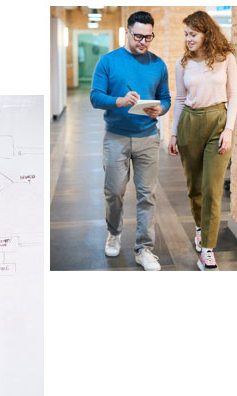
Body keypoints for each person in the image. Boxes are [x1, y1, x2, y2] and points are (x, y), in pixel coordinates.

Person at [89, 11, 171, 271]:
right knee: (114, 192)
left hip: (148, 137)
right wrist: (120, 101)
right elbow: (95, 97)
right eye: (138, 36)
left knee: (147, 195)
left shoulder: (158, 64)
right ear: (127, 32)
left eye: (148, 37)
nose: (143, 42)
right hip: (116, 137)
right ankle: (114, 232)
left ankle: (144, 249)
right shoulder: (108, 61)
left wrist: (161, 109)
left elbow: (166, 98)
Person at [167, 10, 237, 271]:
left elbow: (234, 95)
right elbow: (180, 99)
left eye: (193, 34)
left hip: (218, 122)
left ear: (207, 34)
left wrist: (229, 130)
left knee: (212, 188)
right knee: (194, 187)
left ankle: (207, 249)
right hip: (190, 123)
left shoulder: (225, 58)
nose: (188, 39)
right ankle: (200, 228)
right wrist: (174, 133)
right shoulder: (182, 63)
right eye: (186, 34)